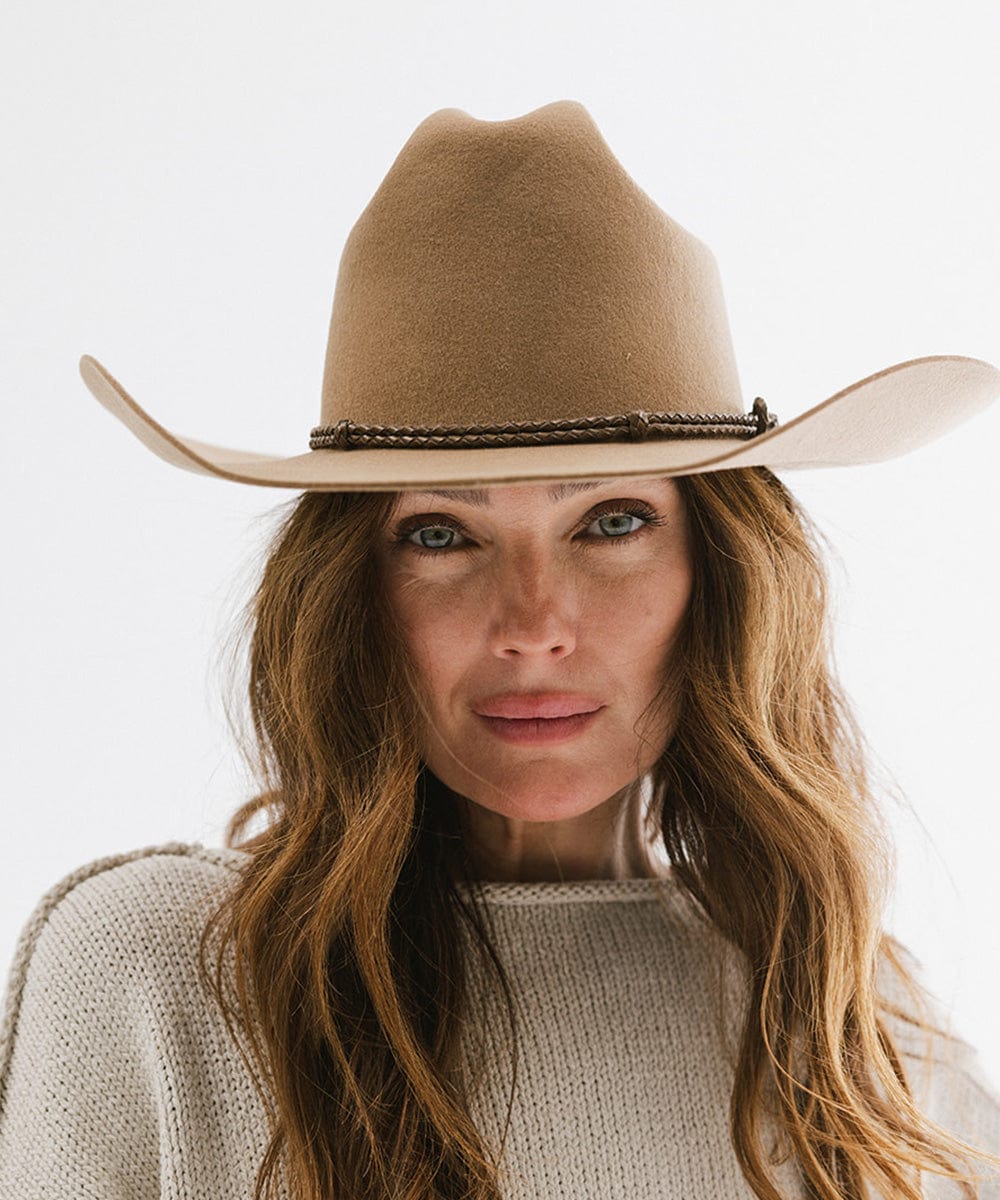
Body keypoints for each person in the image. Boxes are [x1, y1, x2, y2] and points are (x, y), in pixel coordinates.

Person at [1, 99, 998, 1200]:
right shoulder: (154, 976)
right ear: (350, 594)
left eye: (611, 522)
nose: (531, 625)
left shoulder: (858, 1035)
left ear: (721, 574)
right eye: (440, 535)